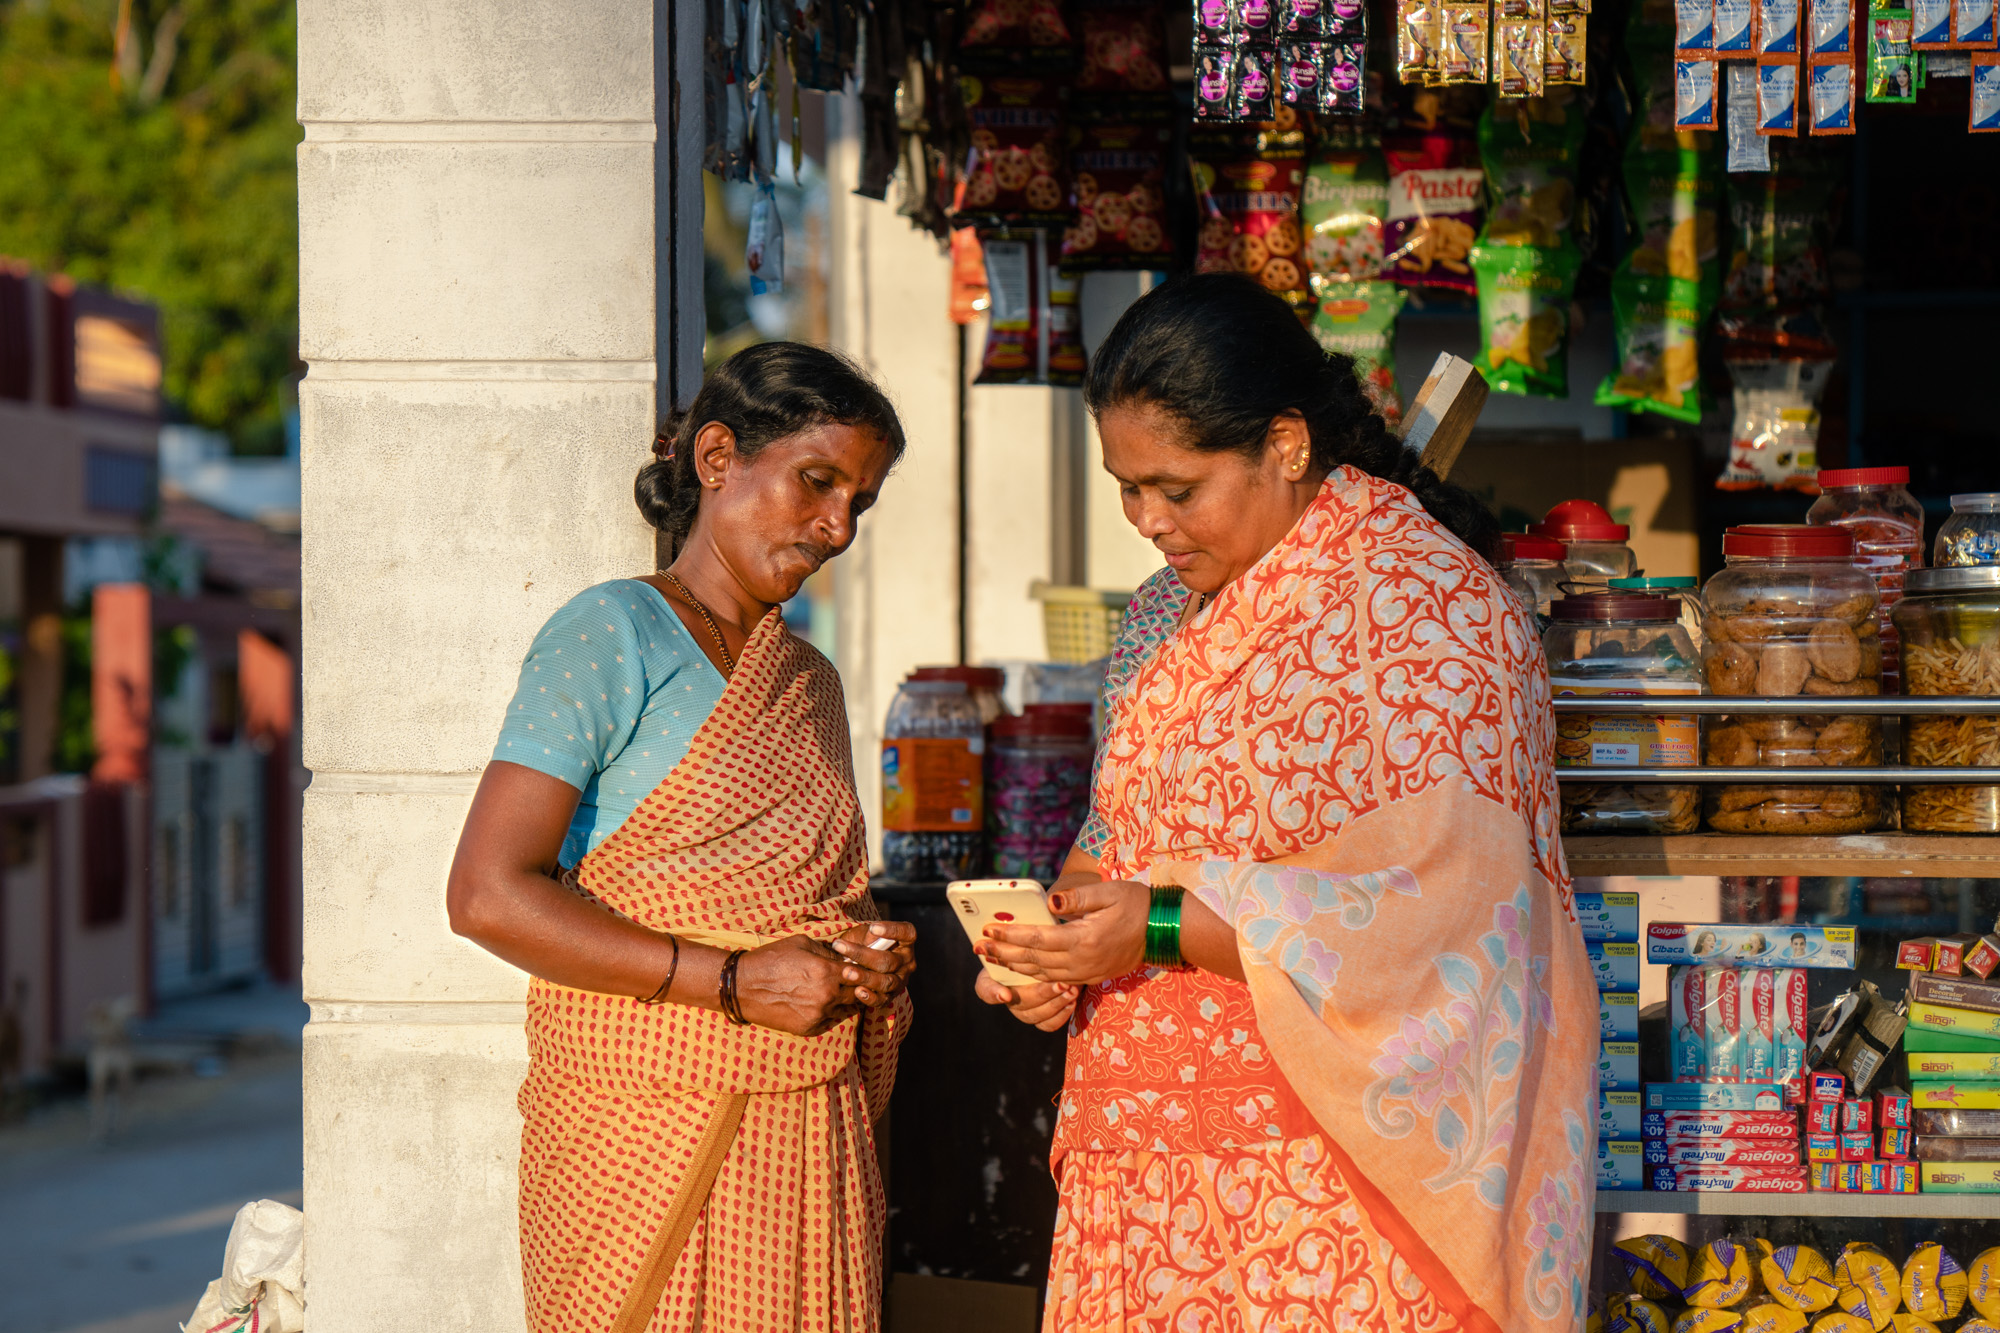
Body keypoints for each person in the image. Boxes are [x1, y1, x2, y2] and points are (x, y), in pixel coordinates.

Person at [977, 274, 1597, 1333]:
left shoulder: (1429, 612)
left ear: (1286, 442)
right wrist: (1056, 942)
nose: (1146, 522)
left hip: (1330, 1178)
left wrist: (1159, 927)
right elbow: (1116, 829)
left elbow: (1443, 910)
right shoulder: (1157, 616)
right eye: (1126, 487)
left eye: (1177, 487)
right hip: (1144, 1166)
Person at [448, 342, 917, 1333]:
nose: (835, 527)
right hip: (639, 1128)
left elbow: (803, 900)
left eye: (858, 504)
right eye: (816, 482)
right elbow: (488, 893)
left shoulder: (809, 681)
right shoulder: (611, 631)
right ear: (716, 457)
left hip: (801, 1135)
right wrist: (737, 985)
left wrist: (856, 961)